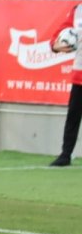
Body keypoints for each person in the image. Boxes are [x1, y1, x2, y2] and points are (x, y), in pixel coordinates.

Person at [48, 9, 82, 166]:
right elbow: (59, 35)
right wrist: (55, 46)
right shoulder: (78, 10)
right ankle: (65, 154)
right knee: (73, 116)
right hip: (80, 73)